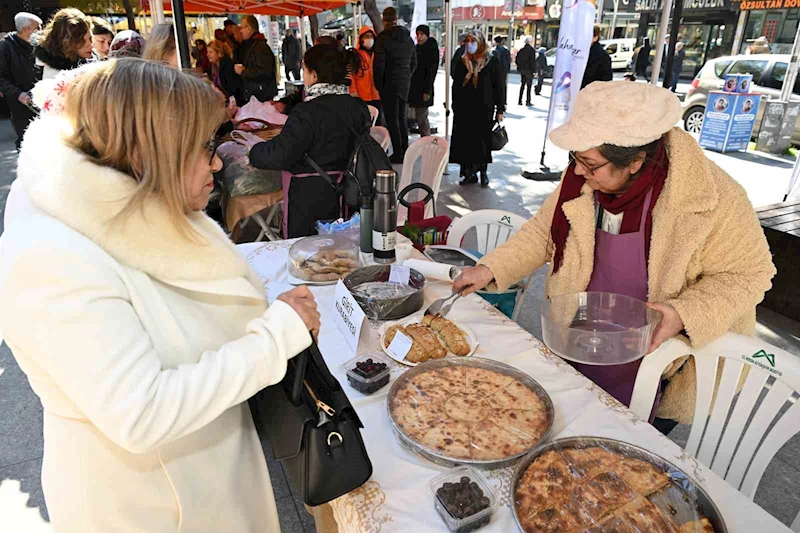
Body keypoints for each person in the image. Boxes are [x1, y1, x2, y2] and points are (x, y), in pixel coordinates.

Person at [0, 58, 321, 533]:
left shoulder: (125, 198)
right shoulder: (52, 258)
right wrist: (275, 338)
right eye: (202, 146)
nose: (216, 161)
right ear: (148, 151)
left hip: (199, 476)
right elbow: (141, 412)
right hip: (152, 507)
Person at [453, 82, 775, 434]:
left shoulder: (712, 196)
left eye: (589, 165)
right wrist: (490, 268)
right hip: (585, 341)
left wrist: (685, 312)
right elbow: (544, 232)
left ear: (635, 162)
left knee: (622, 451)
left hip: (661, 358)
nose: (578, 173)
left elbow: (750, 273)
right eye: (575, 159)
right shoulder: (584, 178)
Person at [249, 45, 370, 238]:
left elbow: (281, 153)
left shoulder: (307, 112)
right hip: (350, 197)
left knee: (310, 259)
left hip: (310, 202)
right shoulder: (358, 107)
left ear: (314, 75)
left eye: (304, 70)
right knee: (344, 255)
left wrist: (254, 151)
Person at [450, 30, 505, 188]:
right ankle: (468, 173)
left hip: (484, 109)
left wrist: (500, 109)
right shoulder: (461, 60)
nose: (470, 44)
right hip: (464, 109)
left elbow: (499, 86)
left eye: (473, 41)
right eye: (467, 41)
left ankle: (483, 172)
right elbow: (456, 84)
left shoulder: (491, 61)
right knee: (465, 142)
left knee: (482, 142)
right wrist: (454, 104)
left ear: (480, 42)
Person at [373, 7, 416, 163]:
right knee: (402, 118)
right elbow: (414, 63)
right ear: (396, 19)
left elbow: (379, 66)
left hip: (388, 84)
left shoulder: (383, 39)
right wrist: (405, 77)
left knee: (392, 119)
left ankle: (398, 153)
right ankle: (405, 150)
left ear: (384, 20)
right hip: (404, 84)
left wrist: (379, 84)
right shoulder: (408, 38)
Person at [0, 12, 41, 150]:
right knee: (26, 141)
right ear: (26, 30)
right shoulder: (5, 47)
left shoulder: (37, 45)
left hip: (40, 100)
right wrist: (18, 94)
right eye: (37, 28)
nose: (41, 32)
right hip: (20, 105)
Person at [34, 8, 93, 80]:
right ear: (66, 42)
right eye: (81, 41)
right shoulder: (53, 77)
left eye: (90, 39)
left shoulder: (93, 61)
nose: (90, 45)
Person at [235, 15, 278, 103]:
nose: (241, 31)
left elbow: (263, 72)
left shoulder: (260, 47)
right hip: (256, 95)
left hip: (261, 96)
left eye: (242, 27)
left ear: (249, 28)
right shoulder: (252, 45)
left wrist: (242, 72)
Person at [408, 24, 438, 137]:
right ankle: (424, 141)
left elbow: (431, 72)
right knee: (418, 117)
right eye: (418, 34)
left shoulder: (430, 49)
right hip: (414, 88)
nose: (419, 37)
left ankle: (426, 141)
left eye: (422, 34)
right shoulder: (416, 48)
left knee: (422, 118)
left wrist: (427, 91)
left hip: (424, 89)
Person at [351, 26, 381, 121]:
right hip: (361, 96)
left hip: (377, 95)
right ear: (361, 39)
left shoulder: (378, 54)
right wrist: (353, 92)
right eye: (366, 36)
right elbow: (352, 75)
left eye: (371, 36)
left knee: (379, 122)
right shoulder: (355, 56)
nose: (369, 39)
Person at [207, 39, 242, 105]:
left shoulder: (227, 66)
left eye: (211, 52)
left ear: (219, 53)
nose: (208, 54)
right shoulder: (214, 67)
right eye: (207, 52)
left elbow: (233, 89)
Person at [516, 35, 535, 106]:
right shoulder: (532, 50)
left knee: (522, 85)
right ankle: (528, 101)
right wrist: (534, 70)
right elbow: (533, 61)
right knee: (529, 86)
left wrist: (519, 67)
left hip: (522, 70)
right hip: (529, 70)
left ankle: (520, 100)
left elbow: (517, 60)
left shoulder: (521, 50)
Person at [493, 35, 511, 106]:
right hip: (503, 71)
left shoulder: (493, 50)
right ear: (502, 41)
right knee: (503, 86)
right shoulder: (506, 50)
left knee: (494, 85)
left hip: (495, 71)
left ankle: (495, 100)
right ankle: (503, 101)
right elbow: (508, 60)